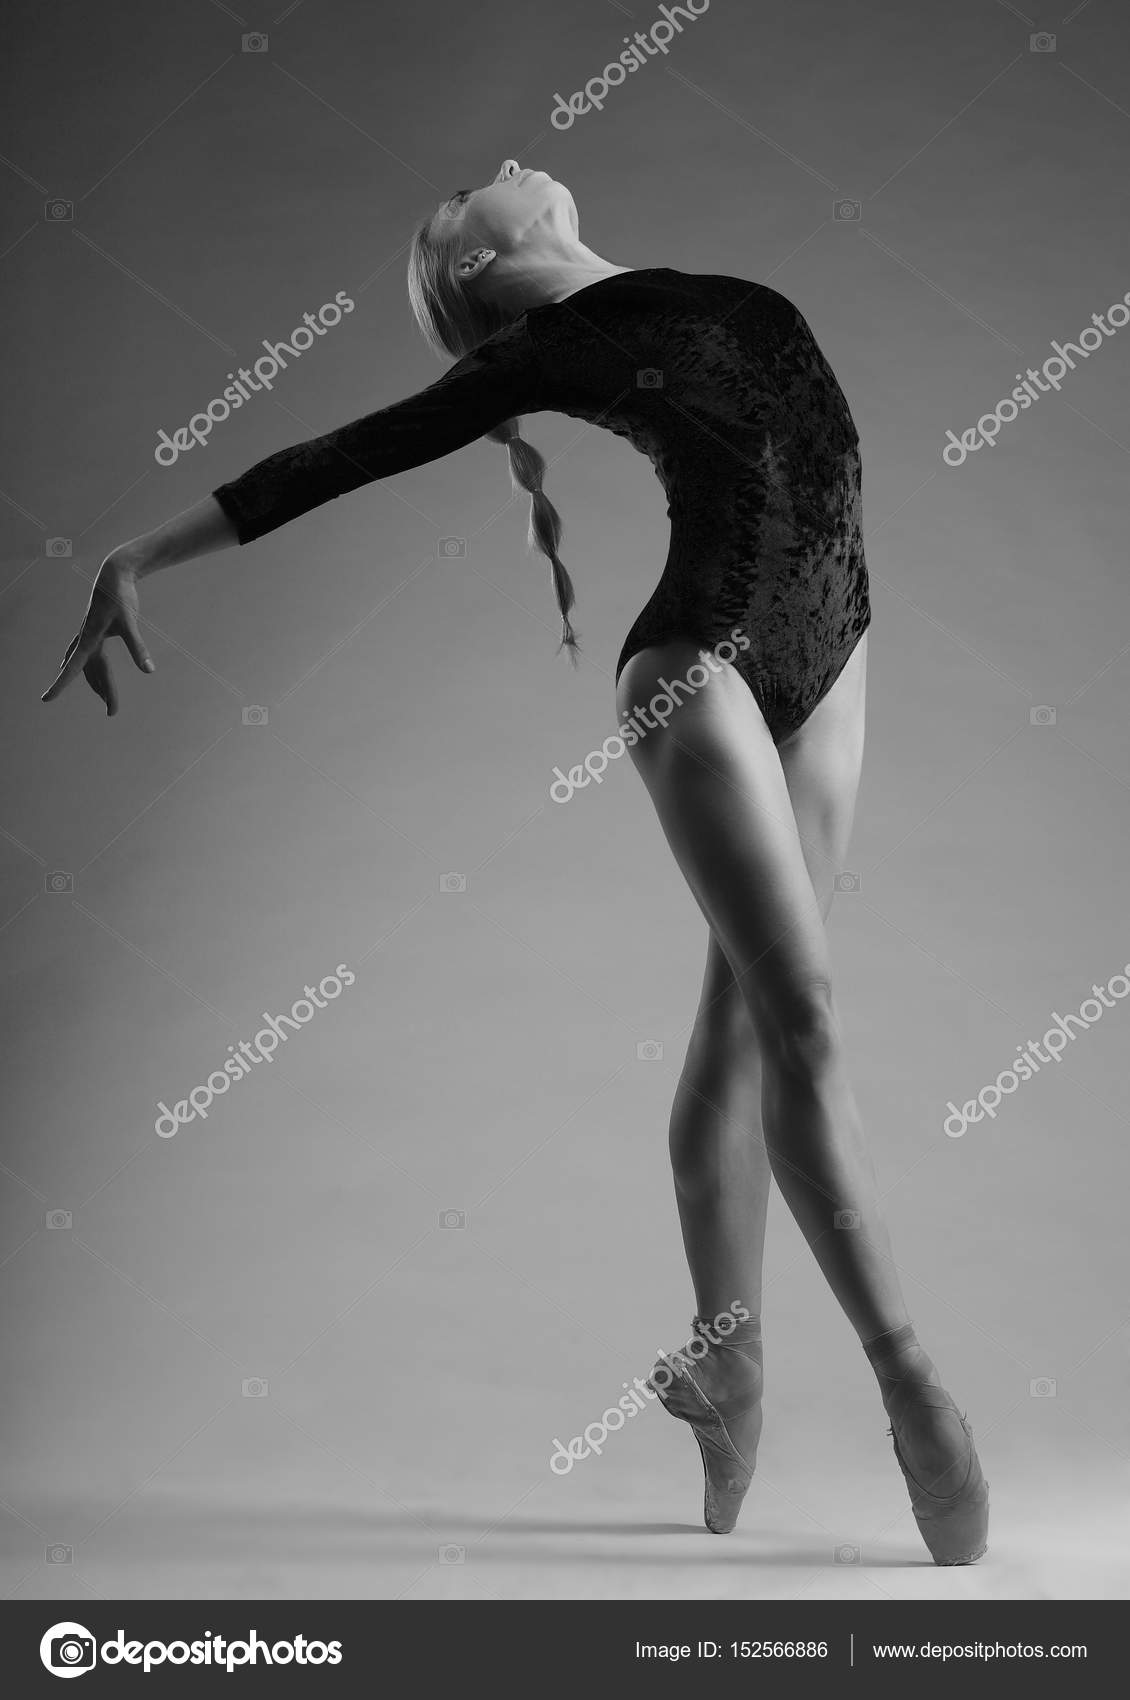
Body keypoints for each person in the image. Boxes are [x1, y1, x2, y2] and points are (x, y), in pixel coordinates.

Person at [42, 159, 988, 1563]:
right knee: (802, 1018)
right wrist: (139, 553)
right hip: (698, 668)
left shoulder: (706, 291)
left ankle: (723, 1371)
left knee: (735, 1056)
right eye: (450, 209)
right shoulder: (538, 351)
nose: (485, 174)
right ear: (479, 275)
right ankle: (910, 1379)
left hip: (837, 644)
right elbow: (342, 455)